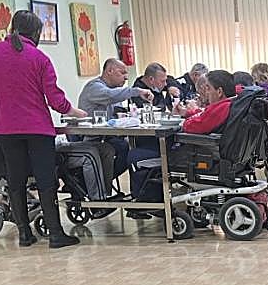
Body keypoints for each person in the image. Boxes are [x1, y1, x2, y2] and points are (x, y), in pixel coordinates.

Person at [0, 9, 89, 249]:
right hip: (37, 128)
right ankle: (55, 234)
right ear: (37, 32)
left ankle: (24, 234)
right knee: (45, 179)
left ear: (13, 28)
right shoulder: (39, 58)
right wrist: (74, 111)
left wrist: (5, 110)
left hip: (6, 127)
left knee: (15, 179)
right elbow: (54, 98)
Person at [130, 70, 242, 198]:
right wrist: (186, 113)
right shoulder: (229, 104)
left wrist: (185, 121)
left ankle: (146, 200)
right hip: (211, 152)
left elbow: (194, 126)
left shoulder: (220, 108)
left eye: (208, 88)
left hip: (196, 155)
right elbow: (204, 116)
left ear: (219, 91)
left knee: (135, 155)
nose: (206, 92)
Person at [77, 58, 153, 185]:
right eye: (122, 73)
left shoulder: (114, 91)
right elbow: (110, 95)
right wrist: (137, 91)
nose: (126, 77)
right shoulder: (94, 87)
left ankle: (103, 183)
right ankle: (93, 184)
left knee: (128, 149)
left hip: (106, 136)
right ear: (109, 71)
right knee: (124, 150)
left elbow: (116, 114)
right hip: (90, 138)